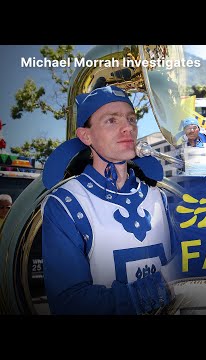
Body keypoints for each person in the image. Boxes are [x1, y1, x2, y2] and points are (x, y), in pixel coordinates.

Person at [41, 85, 175, 315]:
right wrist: (158, 290)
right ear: (86, 135)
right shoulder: (65, 203)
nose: (128, 129)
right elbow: (69, 303)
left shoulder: (160, 197)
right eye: (111, 121)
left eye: (131, 119)